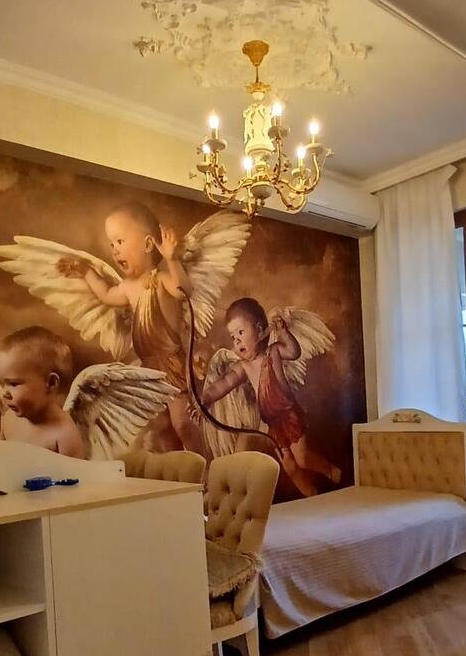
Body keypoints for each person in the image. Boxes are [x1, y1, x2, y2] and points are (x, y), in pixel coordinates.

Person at [58, 202, 196, 448]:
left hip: (171, 362)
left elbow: (184, 290)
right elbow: (106, 294)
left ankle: (204, 463)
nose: (115, 250)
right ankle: (179, 467)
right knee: (162, 426)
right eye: (112, 244)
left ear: (147, 245)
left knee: (182, 422)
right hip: (149, 366)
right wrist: (87, 271)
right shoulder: (127, 287)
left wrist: (172, 259)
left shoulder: (162, 278)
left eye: (120, 242)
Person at [203, 297, 341, 497]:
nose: (237, 341)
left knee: (302, 459)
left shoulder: (273, 352)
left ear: (259, 329)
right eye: (233, 337)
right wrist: (205, 399)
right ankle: (311, 495)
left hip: (288, 415)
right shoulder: (243, 366)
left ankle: (332, 472)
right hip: (274, 424)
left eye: (241, 332)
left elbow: (294, 352)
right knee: (290, 466)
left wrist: (284, 334)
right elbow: (223, 383)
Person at [0, 326, 86, 457]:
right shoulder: (9, 419)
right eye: (3, 383)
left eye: (13, 384)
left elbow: (75, 470)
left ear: (51, 383)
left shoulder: (64, 435)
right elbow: (1, 458)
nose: (4, 393)